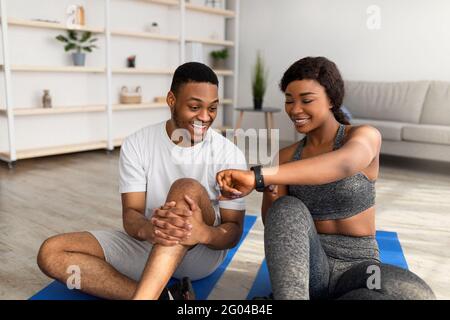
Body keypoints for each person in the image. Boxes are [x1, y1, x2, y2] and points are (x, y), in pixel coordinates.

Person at [216, 57, 435, 300]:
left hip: (360, 269)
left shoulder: (364, 136)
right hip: (309, 270)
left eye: (306, 100)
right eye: (289, 100)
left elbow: (345, 162)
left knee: (416, 294)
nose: (295, 109)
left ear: (331, 99)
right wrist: (269, 185)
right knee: (287, 207)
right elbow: (276, 224)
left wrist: (258, 175)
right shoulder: (285, 158)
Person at [37, 62, 247, 300]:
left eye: (212, 108)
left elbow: (233, 231)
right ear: (171, 100)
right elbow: (132, 215)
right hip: (149, 243)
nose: (205, 117)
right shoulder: (137, 143)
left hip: (201, 253)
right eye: (194, 107)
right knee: (51, 252)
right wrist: (152, 229)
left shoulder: (229, 154)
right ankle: (166, 298)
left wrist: (203, 234)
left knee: (185, 187)